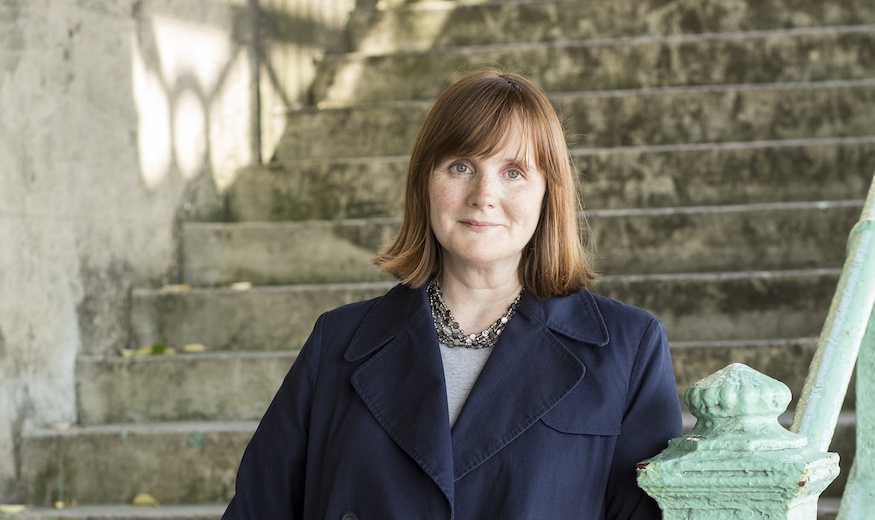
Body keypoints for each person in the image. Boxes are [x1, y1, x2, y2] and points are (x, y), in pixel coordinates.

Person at [223, 69, 682, 519]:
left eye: (514, 172)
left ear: (549, 193)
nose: (484, 195)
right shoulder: (337, 342)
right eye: (461, 166)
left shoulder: (629, 348)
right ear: (425, 181)